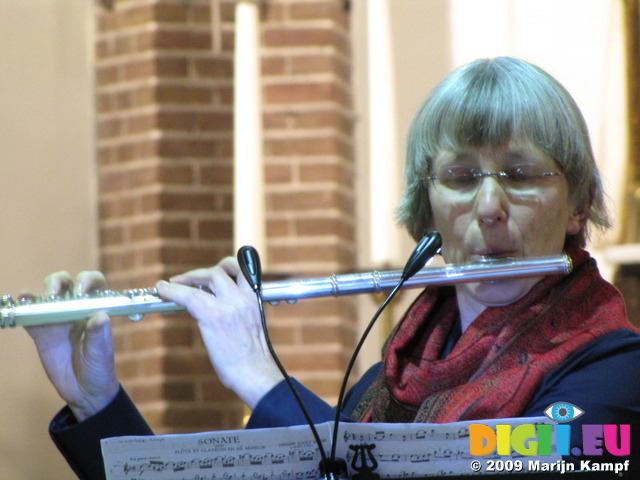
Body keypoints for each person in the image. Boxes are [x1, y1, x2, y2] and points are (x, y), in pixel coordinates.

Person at [27, 57, 640, 479]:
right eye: (458, 178)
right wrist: (97, 404)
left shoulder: (615, 374)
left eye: (520, 175)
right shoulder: (381, 384)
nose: (487, 207)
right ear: (429, 206)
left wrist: (261, 380)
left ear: (577, 202)